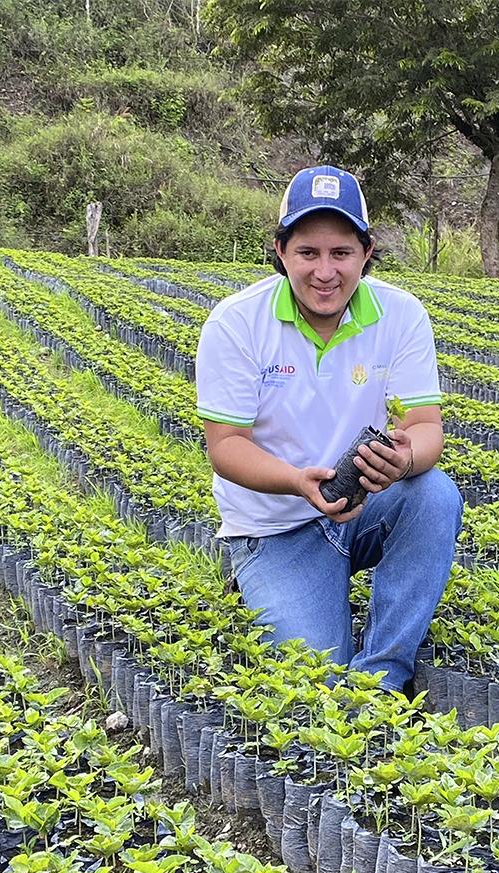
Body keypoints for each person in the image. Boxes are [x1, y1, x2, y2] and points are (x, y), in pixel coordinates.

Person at [194, 165, 463, 692]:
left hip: (360, 510)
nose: (325, 271)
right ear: (280, 251)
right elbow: (225, 448)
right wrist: (298, 481)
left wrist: (406, 459)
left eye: (341, 253)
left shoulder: (401, 315)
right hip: (276, 529)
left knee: (434, 493)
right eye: (307, 253)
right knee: (315, 678)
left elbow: (426, 426)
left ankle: (383, 677)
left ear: (365, 252)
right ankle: (266, 578)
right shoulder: (236, 323)